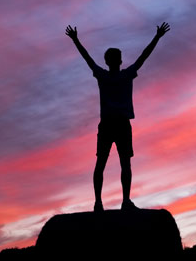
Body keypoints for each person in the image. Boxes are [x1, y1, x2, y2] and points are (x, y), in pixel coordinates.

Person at [65, 22, 170, 212]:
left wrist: (75, 40)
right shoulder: (119, 75)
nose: (116, 59)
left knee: (109, 163)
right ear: (118, 60)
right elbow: (143, 57)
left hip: (114, 124)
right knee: (115, 163)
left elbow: (88, 58)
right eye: (115, 57)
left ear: (110, 61)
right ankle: (111, 202)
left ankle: (112, 202)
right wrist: (157, 37)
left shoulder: (108, 75)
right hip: (115, 124)